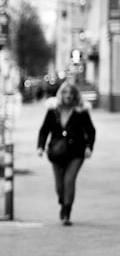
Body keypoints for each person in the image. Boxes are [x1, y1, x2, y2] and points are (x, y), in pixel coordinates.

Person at [36, 80, 95, 225]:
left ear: (75, 96)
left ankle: (67, 212)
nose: (68, 95)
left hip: (76, 152)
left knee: (69, 180)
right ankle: (63, 201)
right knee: (59, 185)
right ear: (61, 94)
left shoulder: (81, 112)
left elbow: (91, 131)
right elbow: (44, 130)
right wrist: (40, 146)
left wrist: (89, 147)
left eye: (71, 93)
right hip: (56, 152)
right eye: (65, 92)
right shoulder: (53, 110)